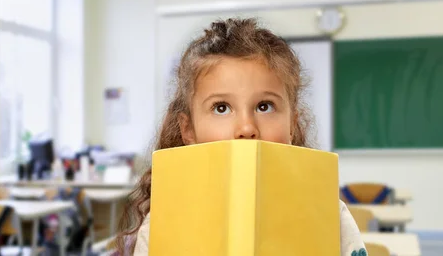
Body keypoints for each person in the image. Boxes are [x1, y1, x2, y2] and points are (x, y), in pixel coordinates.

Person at [116, 18, 367, 256]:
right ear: (188, 130)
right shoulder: (165, 219)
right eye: (221, 108)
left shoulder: (328, 215)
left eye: (264, 106)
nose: (246, 128)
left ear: (292, 124)